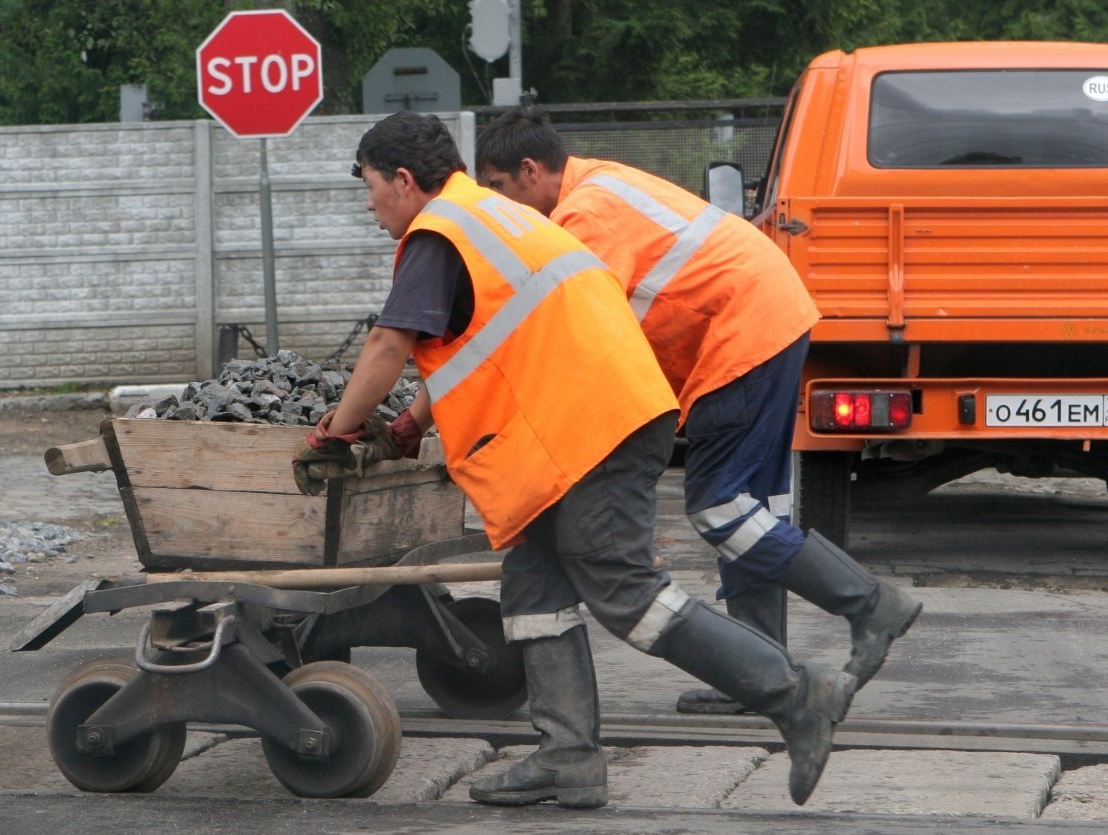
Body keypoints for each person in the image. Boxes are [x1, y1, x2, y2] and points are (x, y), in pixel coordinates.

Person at [291, 110, 855, 809]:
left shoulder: (439, 234)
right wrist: (408, 424)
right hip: (574, 428)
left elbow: (387, 346)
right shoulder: (496, 217)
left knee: (627, 594)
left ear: (404, 181)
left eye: (371, 189)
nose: (370, 206)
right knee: (534, 589)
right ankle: (569, 758)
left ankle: (798, 693)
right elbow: (486, 339)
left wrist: (332, 436)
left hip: (593, 426)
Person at [474, 107, 922, 715]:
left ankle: (870, 605)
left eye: (500, 190)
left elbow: (582, 336)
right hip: (766, 315)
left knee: (720, 506)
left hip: (741, 333)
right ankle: (763, 670)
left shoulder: (585, 217)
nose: (505, 210)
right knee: (753, 511)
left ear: (530, 171)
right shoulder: (599, 183)